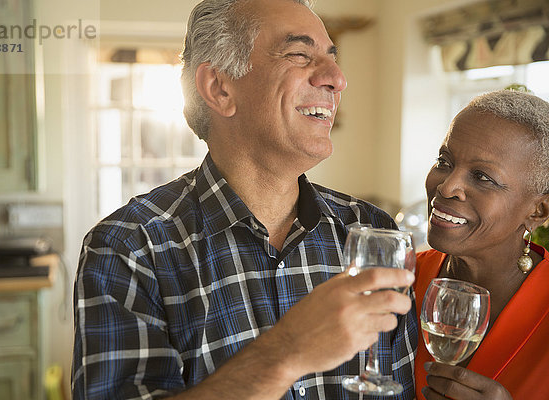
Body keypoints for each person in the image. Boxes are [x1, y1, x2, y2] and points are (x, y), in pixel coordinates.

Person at [72, 0, 418, 398]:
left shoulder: (376, 234)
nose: (337, 79)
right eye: (299, 55)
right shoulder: (128, 247)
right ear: (219, 88)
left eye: (331, 58)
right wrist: (288, 351)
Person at [414, 89, 549, 400]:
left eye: (483, 177)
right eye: (444, 161)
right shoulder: (398, 281)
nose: (446, 187)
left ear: (537, 211)